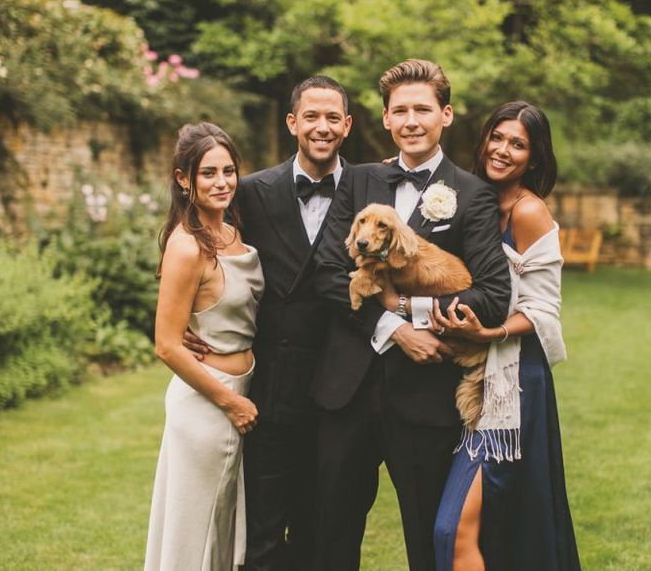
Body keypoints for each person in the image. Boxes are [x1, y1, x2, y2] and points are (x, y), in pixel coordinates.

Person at [312, 59, 511, 571]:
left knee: (428, 540)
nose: (411, 120)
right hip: (346, 394)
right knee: (329, 536)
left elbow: (490, 295)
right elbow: (327, 272)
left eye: (422, 109)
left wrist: (411, 309)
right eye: (399, 110)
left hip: (425, 400)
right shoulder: (355, 181)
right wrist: (392, 326)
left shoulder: (472, 194)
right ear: (384, 119)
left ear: (445, 115)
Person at [184, 76, 352, 570]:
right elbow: (199, 238)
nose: (322, 127)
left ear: (347, 125)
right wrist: (196, 313)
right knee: (260, 531)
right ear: (292, 122)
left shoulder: (370, 185)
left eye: (332, 117)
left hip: (342, 391)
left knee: (325, 532)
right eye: (311, 116)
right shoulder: (251, 191)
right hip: (271, 391)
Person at [432, 101, 580, 570]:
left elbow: (543, 309)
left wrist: (489, 331)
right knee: (487, 526)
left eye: (518, 144)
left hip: (511, 383)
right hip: (461, 376)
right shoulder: (469, 198)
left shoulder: (529, 211)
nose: (502, 150)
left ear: (534, 159)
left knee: (453, 529)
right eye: (497, 137)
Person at [144, 122, 265, 571]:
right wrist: (230, 403)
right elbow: (167, 345)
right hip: (209, 402)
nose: (222, 182)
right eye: (208, 173)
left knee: (224, 530)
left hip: (241, 391)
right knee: (196, 534)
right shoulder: (187, 246)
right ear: (184, 180)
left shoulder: (233, 230)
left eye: (229, 171)